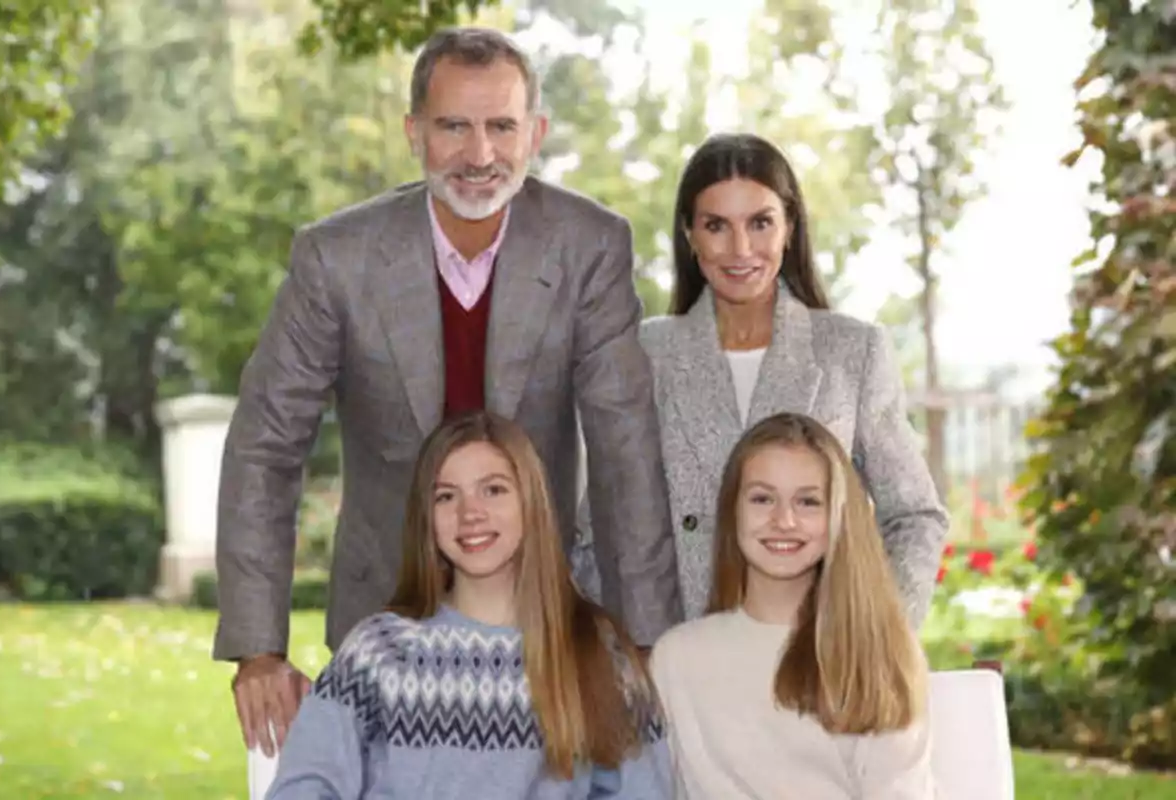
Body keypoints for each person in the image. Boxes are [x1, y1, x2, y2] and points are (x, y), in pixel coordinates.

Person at [215, 26, 681, 758]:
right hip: (383, 612)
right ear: (414, 132)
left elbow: (626, 447)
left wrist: (646, 640)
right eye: (453, 127)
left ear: (536, 133)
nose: (479, 155)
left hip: (541, 617)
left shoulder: (590, 245)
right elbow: (266, 445)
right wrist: (258, 649)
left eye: (501, 126)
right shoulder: (335, 258)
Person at [575, 132, 946, 623]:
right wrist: (630, 653)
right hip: (679, 663)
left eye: (760, 223)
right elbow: (597, 528)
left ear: (790, 226)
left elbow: (914, 516)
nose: (740, 248)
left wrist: (877, 641)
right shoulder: (644, 354)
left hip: (818, 660)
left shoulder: (853, 351)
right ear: (689, 234)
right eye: (716, 226)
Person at [265, 411, 671, 799]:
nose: (470, 513)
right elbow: (302, 788)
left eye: (493, 489)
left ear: (532, 502)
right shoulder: (379, 651)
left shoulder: (597, 652)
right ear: (427, 516)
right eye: (446, 496)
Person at [650, 412, 938, 799]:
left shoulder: (879, 653)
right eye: (762, 498)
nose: (783, 520)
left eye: (807, 501)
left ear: (838, 516)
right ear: (732, 510)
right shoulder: (676, 658)